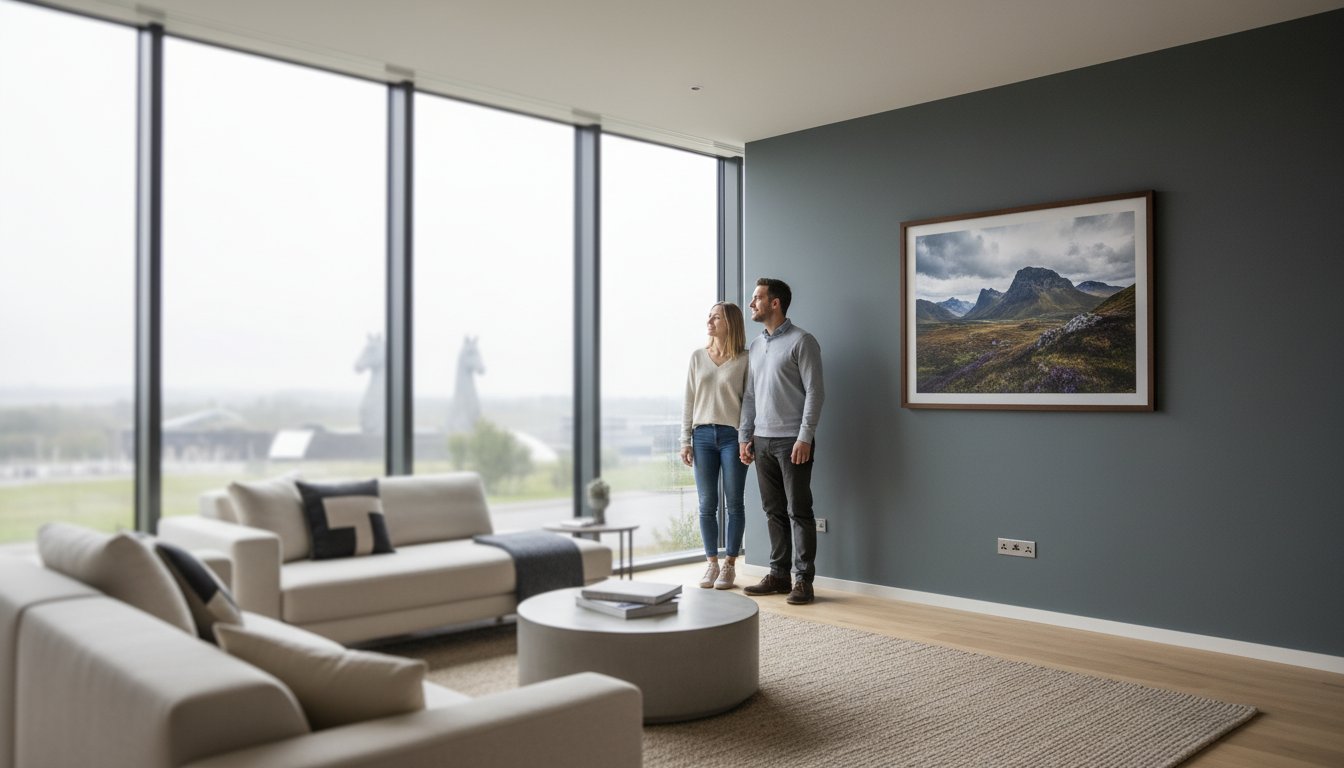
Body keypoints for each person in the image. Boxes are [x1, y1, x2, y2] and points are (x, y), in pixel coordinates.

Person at [738, 277, 824, 605]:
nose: (751, 304)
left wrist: (805, 436)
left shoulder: (803, 341)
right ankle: (778, 575)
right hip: (761, 441)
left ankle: (804, 580)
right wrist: (745, 436)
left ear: (775, 303)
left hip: (793, 441)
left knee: (799, 511)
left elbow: (816, 392)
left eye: (757, 298)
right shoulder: (756, 346)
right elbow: (749, 395)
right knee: (772, 511)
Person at [679, 302, 750, 589]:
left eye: (716, 317)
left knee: (734, 503)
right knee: (707, 504)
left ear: (729, 323)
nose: (709, 320)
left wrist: (747, 437)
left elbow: (749, 403)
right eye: (709, 315)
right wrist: (685, 439)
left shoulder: (745, 359)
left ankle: (730, 565)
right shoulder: (697, 357)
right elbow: (688, 400)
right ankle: (711, 564)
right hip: (703, 437)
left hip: (733, 437)